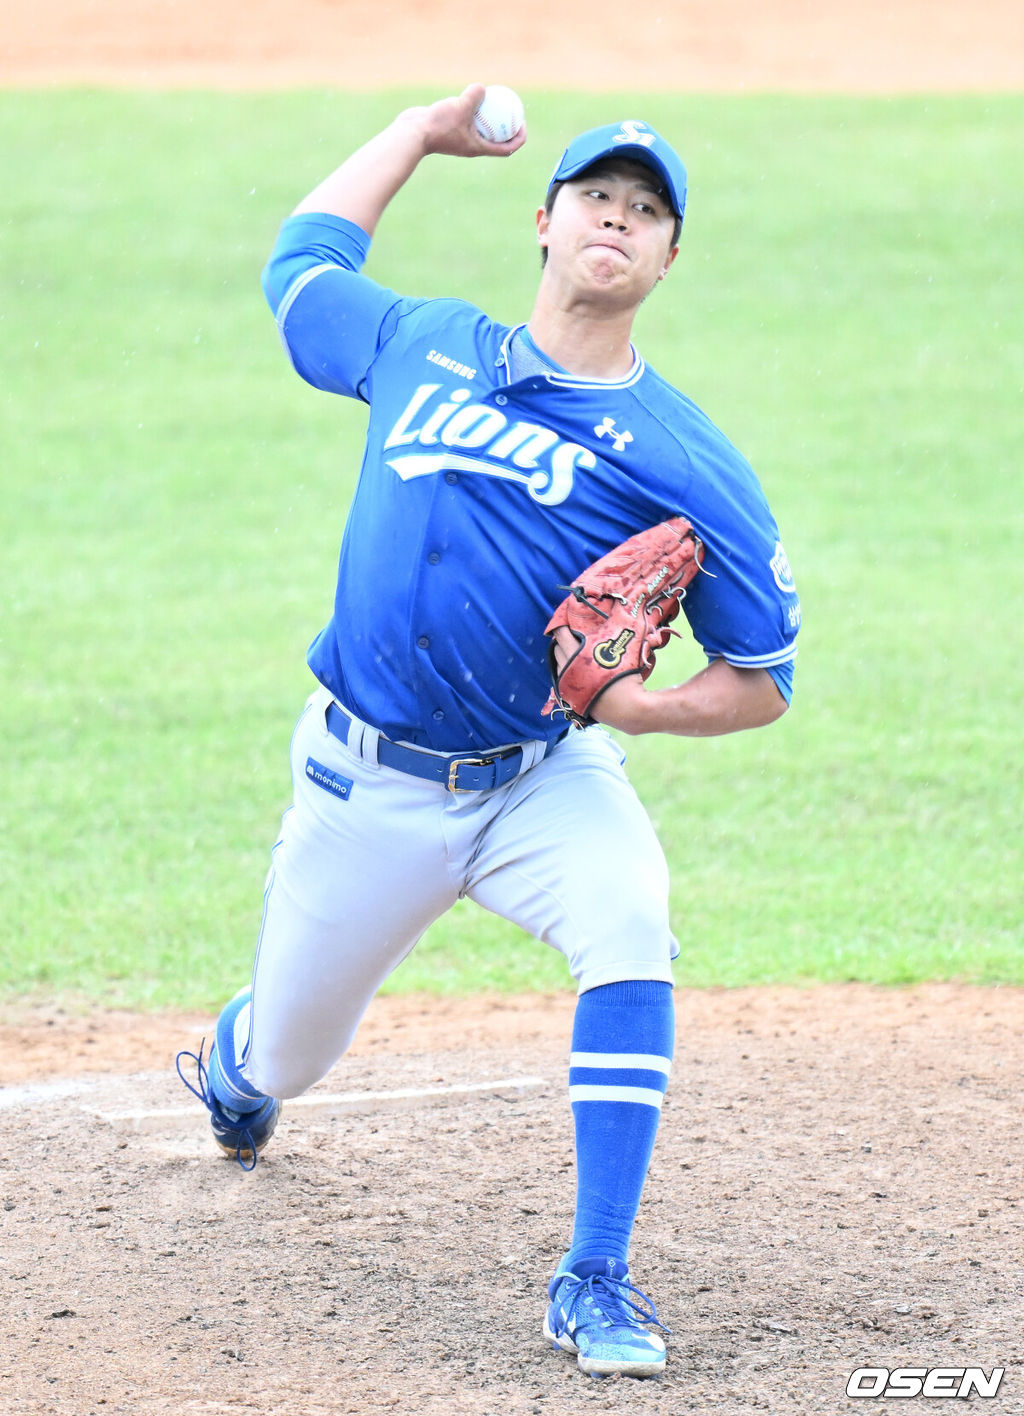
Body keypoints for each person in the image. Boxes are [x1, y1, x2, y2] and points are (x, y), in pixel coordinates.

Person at [177, 84, 800, 1380]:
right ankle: (237, 1065)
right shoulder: (421, 342)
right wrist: (412, 133)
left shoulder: (687, 459)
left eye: (645, 212)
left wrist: (639, 709)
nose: (616, 222)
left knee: (631, 917)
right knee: (288, 1053)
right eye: (597, 199)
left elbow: (764, 675)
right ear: (546, 220)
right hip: (368, 784)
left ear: (669, 257)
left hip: (542, 774)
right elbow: (302, 263)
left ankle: (596, 1276)